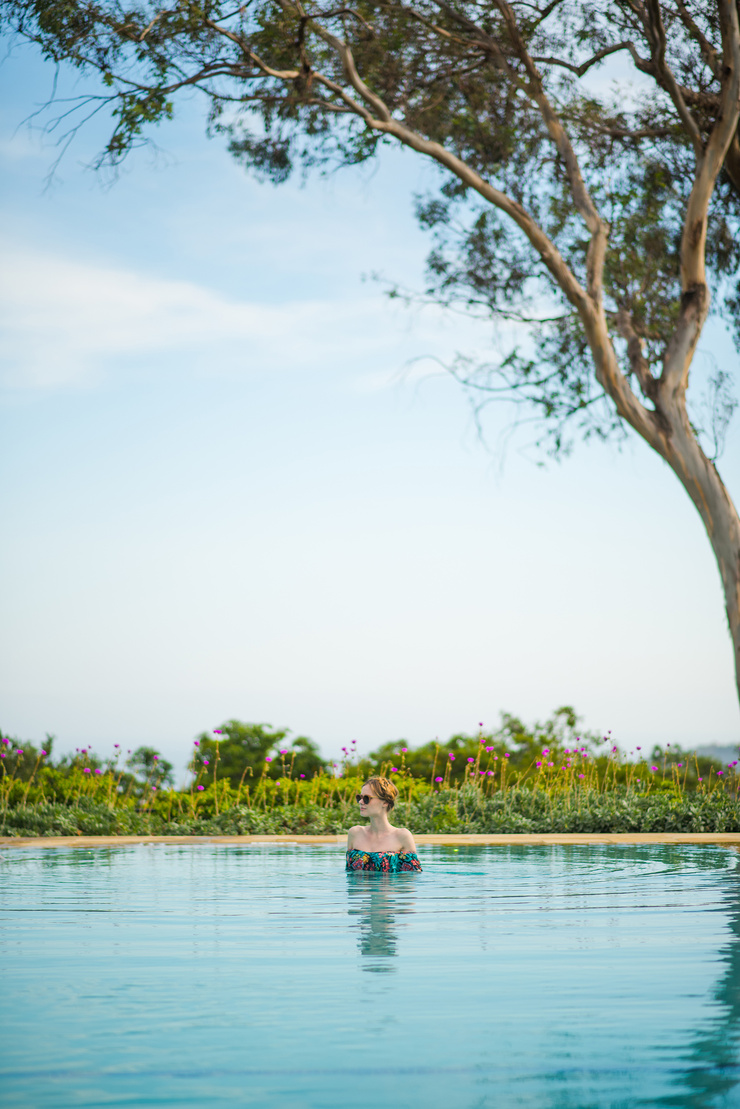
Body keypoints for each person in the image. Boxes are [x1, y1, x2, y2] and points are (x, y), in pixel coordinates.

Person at [346, 776, 422, 872]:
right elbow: (349, 872)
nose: (361, 802)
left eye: (366, 798)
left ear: (385, 802)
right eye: (359, 797)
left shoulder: (402, 836)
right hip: (358, 887)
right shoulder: (355, 833)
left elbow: (411, 878)